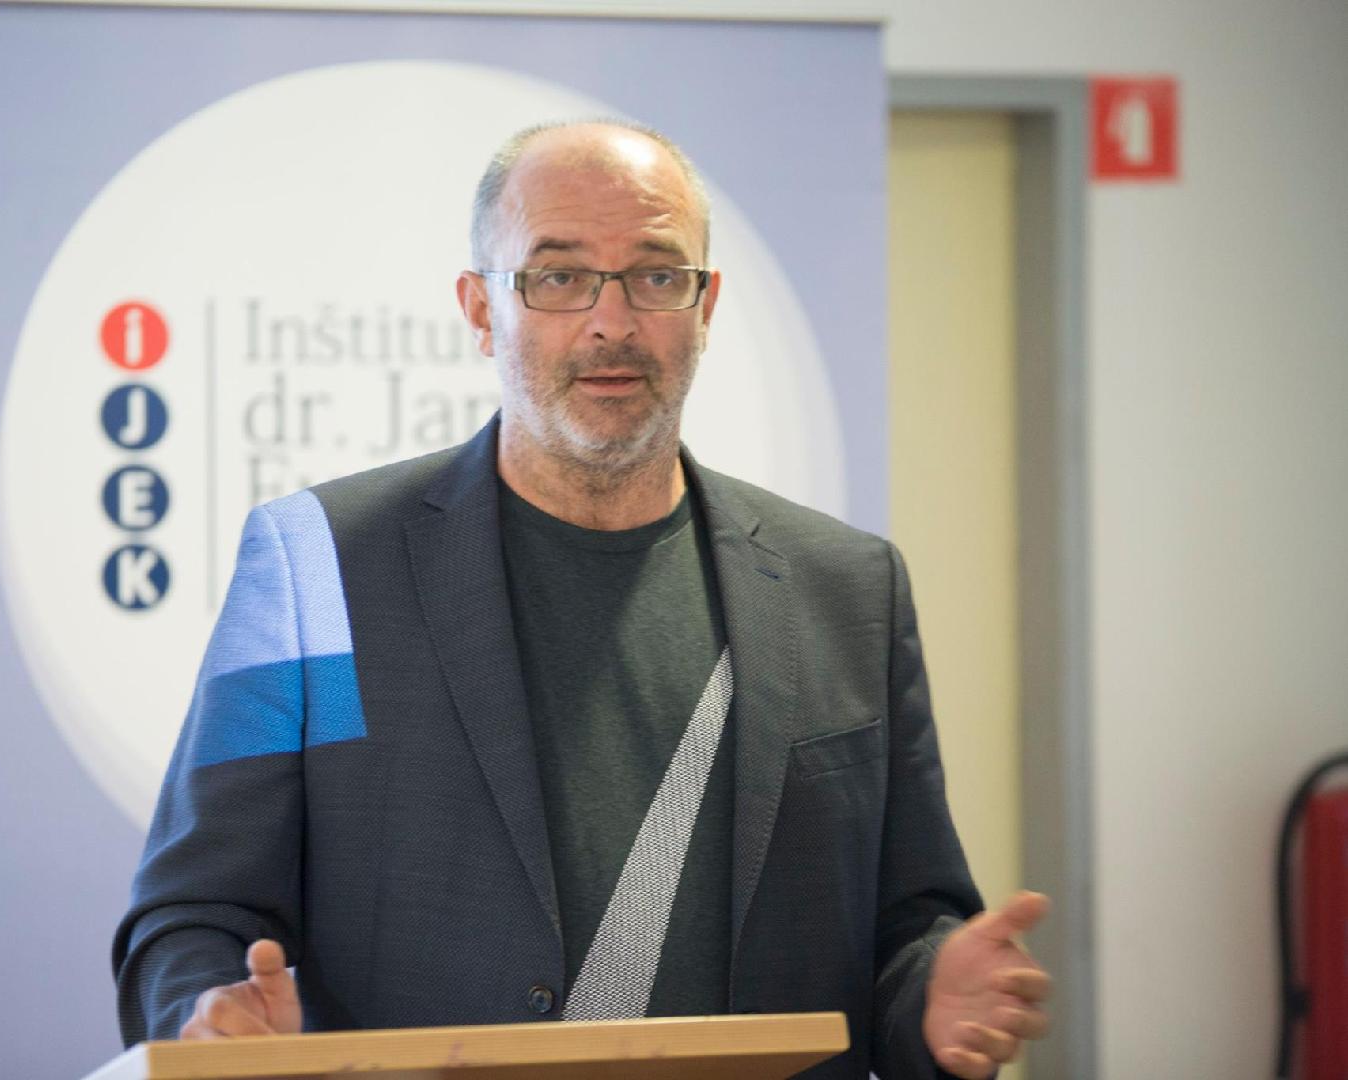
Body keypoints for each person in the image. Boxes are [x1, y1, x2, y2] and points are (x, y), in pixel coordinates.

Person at [112, 120, 1051, 1079]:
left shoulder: (847, 586)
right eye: (557, 276)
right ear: (480, 308)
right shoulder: (319, 564)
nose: (611, 321)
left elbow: (905, 926)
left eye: (656, 275)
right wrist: (207, 1016)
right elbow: (196, 911)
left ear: (705, 304)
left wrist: (931, 998)